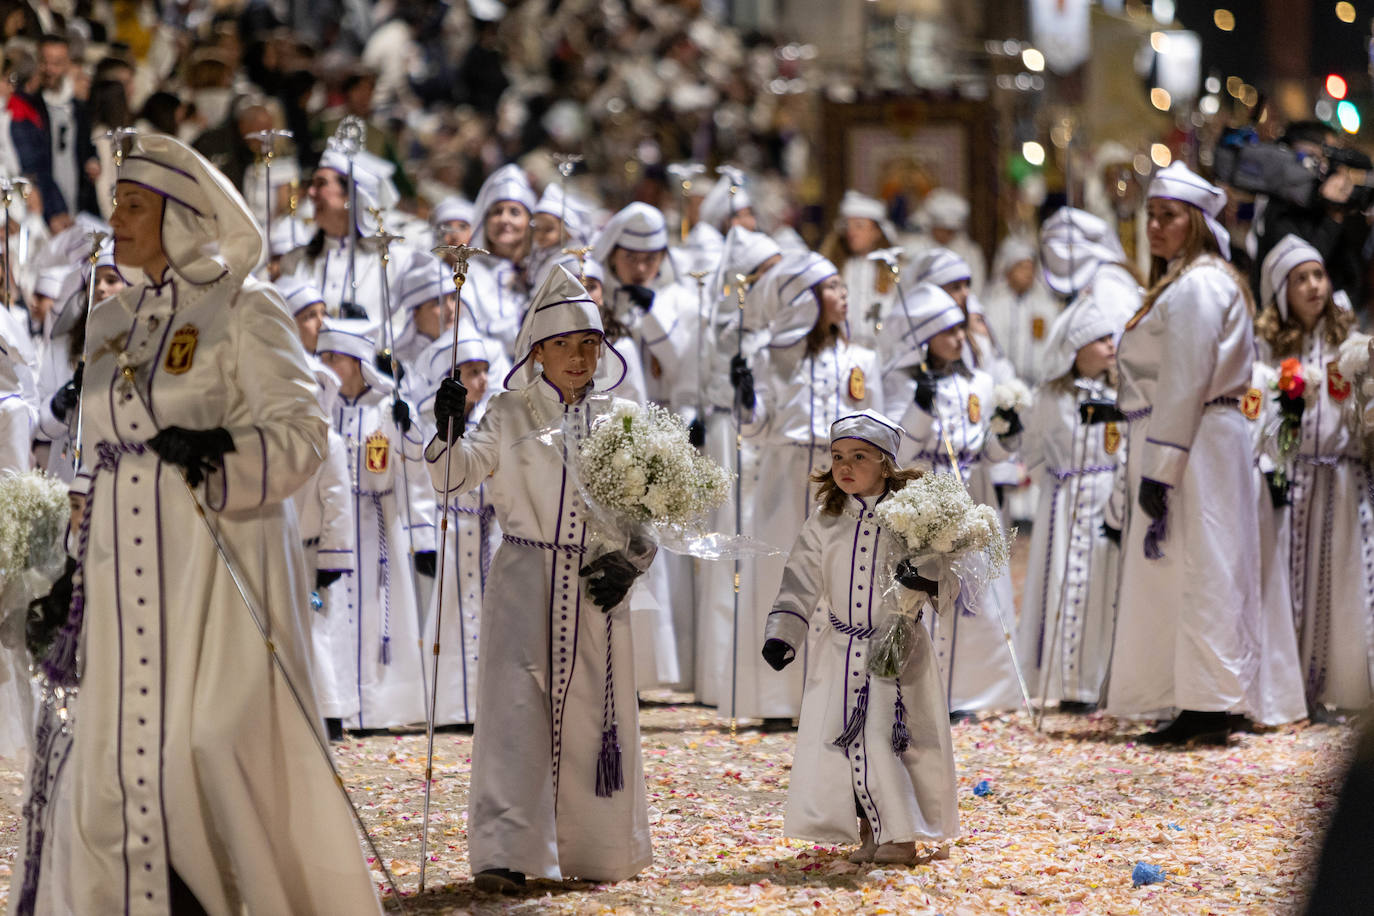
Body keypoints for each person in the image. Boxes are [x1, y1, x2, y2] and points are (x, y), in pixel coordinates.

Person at [12, 132, 381, 914]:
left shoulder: (249, 307)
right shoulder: (112, 321)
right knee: (118, 769)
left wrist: (223, 450)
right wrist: (71, 574)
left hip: (220, 573)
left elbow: (304, 435)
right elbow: (101, 459)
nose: (117, 219)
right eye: (115, 202)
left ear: (183, 215)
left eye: (135, 205)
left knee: (207, 749)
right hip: (122, 582)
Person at [425, 265, 652, 892]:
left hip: (596, 585)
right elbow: (454, 476)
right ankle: (504, 850)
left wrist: (631, 562)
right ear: (538, 351)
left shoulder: (623, 416)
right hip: (526, 575)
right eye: (563, 345)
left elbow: (648, 510)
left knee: (593, 715)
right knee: (515, 710)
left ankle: (594, 847)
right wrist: (448, 429)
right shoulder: (508, 410)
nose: (578, 358)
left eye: (589, 345)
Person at [1107, 161, 1263, 745]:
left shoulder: (1198, 285)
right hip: (1199, 436)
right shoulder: (1190, 280)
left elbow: (1184, 377)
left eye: (1167, 216)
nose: (1154, 226)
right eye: (1149, 215)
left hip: (1193, 438)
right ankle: (1200, 696)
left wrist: (1162, 465)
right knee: (1199, 561)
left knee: (1202, 562)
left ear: (1195, 223)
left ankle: (1206, 702)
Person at [762, 410, 958, 866]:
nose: (844, 466)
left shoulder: (913, 518)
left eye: (859, 456)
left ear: (886, 463)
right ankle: (871, 830)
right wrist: (784, 633)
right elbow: (799, 580)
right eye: (836, 457)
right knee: (844, 744)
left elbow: (947, 577)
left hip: (897, 652)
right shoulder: (824, 521)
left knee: (887, 742)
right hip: (839, 652)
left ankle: (901, 835)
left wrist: (924, 576)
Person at [731, 252, 884, 726]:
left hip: (845, 475)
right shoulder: (773, 357)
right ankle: (777, 700)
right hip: (786, 472)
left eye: (843, 286)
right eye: (832, 287)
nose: (844, 295)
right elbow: (755, 430)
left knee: (842, 580)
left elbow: (876, 425)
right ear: (805, 299)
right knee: (781, 578)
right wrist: (746, 398)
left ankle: (832, 696)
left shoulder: (861, 359)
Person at [883, 282, 1025, 715]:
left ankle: (972, 689)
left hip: (967, 498)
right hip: (923, 499)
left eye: (961, 328)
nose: (959, 337)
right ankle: (921, 688)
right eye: (947, 331)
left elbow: (987, 452)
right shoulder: (900, 384)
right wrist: (920, 410)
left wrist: (1006, 431)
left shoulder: (979, 382)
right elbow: (899, 452)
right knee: (920, 593)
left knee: (973, 595)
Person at [1256, 235, 1373, 716]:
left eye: (1318, 275)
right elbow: (1254, 412)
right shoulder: (1267, 349)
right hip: (1293, 482)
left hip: (1343, 480)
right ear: (1282, 290)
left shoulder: (1350, 343)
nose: (1313, 287)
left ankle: (1342, 688)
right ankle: (1291, 690)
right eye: (1300, 278)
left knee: (1343, 583)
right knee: (1289, 584)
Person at [316, 318, 434, 731]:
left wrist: (407, 429)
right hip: (333, 520)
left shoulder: (386, 407)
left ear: (355, 361)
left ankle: (377, 707)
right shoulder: (322, 404)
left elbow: (414, 472)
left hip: (376, 521)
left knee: (373, 611)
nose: (325, 363)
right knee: (333, 614)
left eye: (334, 357)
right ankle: (336, 702)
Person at [1014, 293, 1123, 712]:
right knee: (1060, 583)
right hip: (1064, 505)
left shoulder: (1120, 396)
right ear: (1076, 350)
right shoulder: (1051, 397)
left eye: (1112, 339)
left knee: (1101, 586)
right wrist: (1058, 487)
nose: (1110, 346)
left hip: (1105, 500)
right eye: (1100, 340)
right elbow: (1035, 449)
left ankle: (1095, 681)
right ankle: (1064, 681)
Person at [421, 334, 496, 727]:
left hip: (488, 528)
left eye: (484, 371)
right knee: (449, 612)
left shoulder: (495, 416)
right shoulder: (432, 420)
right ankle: (450, 705)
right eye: (471, 372)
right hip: (450, 527)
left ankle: (487, 703)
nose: (481, 380)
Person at [10, 33, 98, 230]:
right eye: (44, 62)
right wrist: (52, 209)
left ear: (68, 64)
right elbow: (33, 163)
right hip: (44, 209)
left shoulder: (78, 108)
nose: (50, 70)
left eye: (57, 63)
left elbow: (86, 147)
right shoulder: (28, 107)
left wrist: (93, 160)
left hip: (75, 205)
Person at [460, 163, 535, 354]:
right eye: (496, 212)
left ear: (529, 222)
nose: (504, 219)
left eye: (514, 212)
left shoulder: (540, 271)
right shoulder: (469, 273)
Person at [820, 190, 900, 354]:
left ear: (876, 231)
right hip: (843, 351)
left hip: (883, 353)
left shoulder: (893, 269)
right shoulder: (836, 268)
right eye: (848, 226)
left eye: (859, 226)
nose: (852, 232)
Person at [980, 235, 1061, 385]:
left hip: (1038, 383)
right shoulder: (992, 305)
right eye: (1021, 267)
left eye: (1030, 268)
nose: (1027, 273)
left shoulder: (1045, 306)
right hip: (1001, 384)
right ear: (1008, 270)